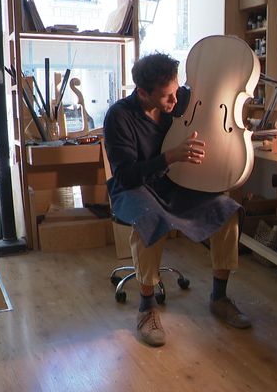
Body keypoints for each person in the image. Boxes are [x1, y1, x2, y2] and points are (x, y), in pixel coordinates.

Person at [103, 52, 251, 347]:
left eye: (177, 90)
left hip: (175, 184)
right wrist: (169, 157)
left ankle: (219, 297)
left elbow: (212, 106)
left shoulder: (181, 100)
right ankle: (146, 308)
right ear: (143, 92)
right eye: (168, 96)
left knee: (227, 210)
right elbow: (127, 176)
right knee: (150, 219)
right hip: (132, 188)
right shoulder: (119, 116)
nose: (176, 101)